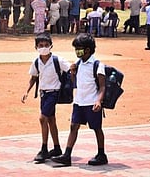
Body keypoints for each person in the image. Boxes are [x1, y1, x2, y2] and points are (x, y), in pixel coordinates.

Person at [51, 33, 107, 167]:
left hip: (91, 102)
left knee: (96, 128)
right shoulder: (78, 63)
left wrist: (99, 101)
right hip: (79, 101)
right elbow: (75, 82)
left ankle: (101, 154)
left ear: (87, 49)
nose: (77, 51)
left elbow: (102, 86)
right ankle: (67, 155)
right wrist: (72, 73)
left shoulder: (97, 65)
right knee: (73, 126)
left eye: (79, 48)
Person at [21, 33, 70, 163]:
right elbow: (33, 77)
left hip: (54, 92)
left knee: (43, 119)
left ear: (51, 46)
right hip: (43, 93)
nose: (43, 48)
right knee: (51, 120)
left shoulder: (57, 60)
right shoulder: (36, 62)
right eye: (41, 45)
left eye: (46, 45)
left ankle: (43, 148)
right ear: (36, 47)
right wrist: (27, 91)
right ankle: (57, 147)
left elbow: (70, 69)